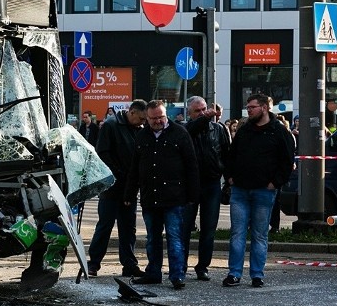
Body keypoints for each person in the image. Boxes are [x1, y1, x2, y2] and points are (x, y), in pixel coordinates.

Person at [125, 100, 199, 289]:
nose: (158, 121)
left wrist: (193, 195)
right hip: (151, 197)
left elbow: (191, 166)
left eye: (161, 117)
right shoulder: (142, 136)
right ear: (147, 118)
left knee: (175, 238)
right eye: (153, 118)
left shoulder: (180, 133)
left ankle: (177, 275)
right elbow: (134, 167)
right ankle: (153, 272)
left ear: (166, 115)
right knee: (152, 239)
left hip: (175, 197)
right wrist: (129, 193)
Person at [223, 93, 295, 288]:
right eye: (248, 107)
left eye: (252, 107)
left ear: (264, 108)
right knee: (237, 233)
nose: (249, 110)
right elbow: (231, 155)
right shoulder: (245, 130)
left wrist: (275, 183)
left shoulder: (279, 132)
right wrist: (230, 177)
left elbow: (288, 161)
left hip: (264, 191)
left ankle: (257, 274)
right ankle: (234, 273)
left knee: (259, 234)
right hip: (240, 190)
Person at [87, 100, 147, 278]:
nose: (143, 122)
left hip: (129, 186)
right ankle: (94, 263)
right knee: (105, 225)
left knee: (128, 227)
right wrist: (120, 173)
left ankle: (129, 264)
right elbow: (103, 154)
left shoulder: (139, 129)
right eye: (141, 118)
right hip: (112, 186)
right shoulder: (111, 125)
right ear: (132, 112)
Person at [183, 96, 231, 281]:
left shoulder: (218, 129)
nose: (203, 114)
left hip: (211, 183)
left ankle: (203, 266)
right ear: (189, 112)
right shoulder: (184, 129)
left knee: (209, 228)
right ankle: (181, 265)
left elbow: (227, 155)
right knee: (184, 228)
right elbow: (192, 130)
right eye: (198, 111)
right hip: (189, 185)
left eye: (204, 109)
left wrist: (228, 182)